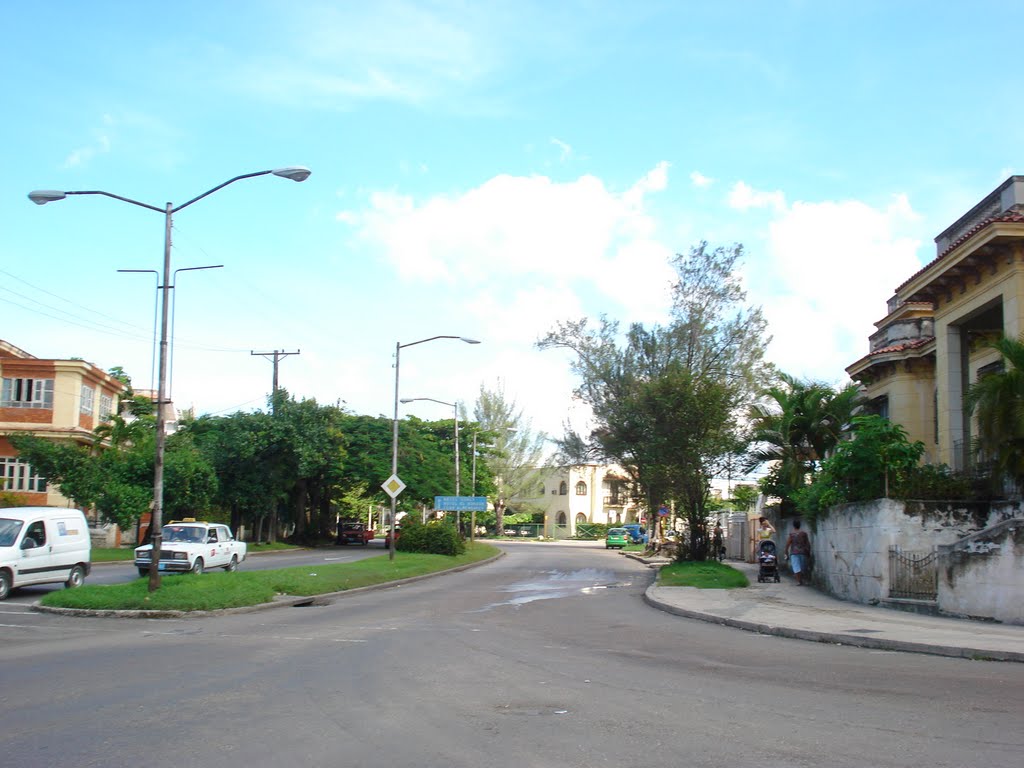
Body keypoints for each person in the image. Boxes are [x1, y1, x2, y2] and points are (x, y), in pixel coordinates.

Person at [784, 519, 812, 586]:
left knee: (796, 567)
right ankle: (804, 580)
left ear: (793, 526)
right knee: (803, 567)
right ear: (800, 525)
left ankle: (799, 581)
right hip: (803, 552)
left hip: (794, 552)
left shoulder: (792, 534)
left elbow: (788, 544)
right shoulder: (804, 534)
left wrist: (786, 552)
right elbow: (808, 544)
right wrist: (808, 552)